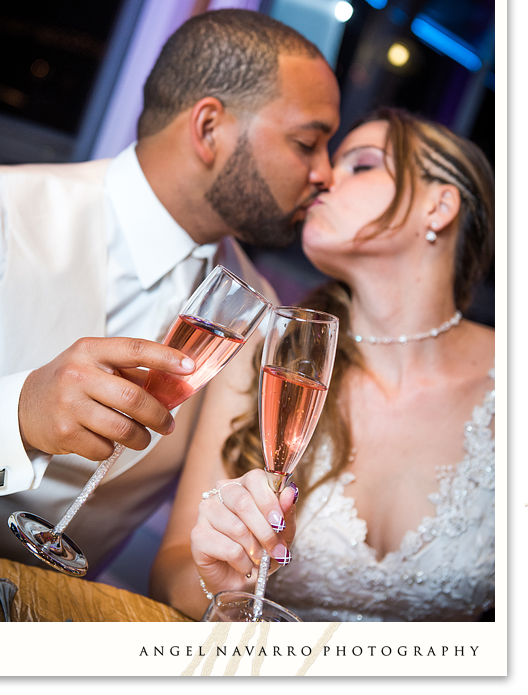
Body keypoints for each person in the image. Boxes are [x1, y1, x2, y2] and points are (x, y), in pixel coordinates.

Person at [0, 9, 341, 569]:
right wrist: (20, 411)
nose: (325, 173)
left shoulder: (255, 322)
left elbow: (190, 547)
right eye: (308, 143)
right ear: (208, 129)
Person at [150, 107, 495, 622]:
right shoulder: (270, 360)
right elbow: (172, 574)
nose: (325, 178)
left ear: (440, 205)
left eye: (361, 165)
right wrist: (218, 580)